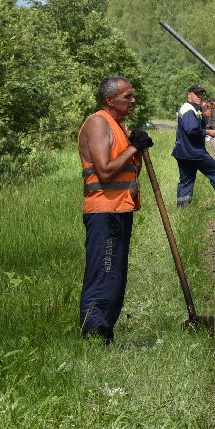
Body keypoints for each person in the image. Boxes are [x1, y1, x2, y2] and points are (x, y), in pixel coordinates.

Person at [77, 75, 151, 344]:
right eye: (127, 96)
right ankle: (94, 336)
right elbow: (105, 171)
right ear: (110, 100)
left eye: (133, 95)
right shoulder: (98, 123)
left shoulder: (119, 126)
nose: (133, 100)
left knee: (116, 278)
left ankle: (105, 333)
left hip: (120, 209)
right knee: (103, 273)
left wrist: (137, 151)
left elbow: (130, 171)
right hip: (103, 211)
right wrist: (133, 147)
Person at [173, 85, 215, 209]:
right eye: (196, 94)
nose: (199, 96)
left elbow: (192, 129)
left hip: (183, 153)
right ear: (189, 95)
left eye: (201, 94)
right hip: (194, 153)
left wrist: (206, 130)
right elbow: (191, 130)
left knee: (186, 181)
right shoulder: (189, 109)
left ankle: (182, 210)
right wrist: (208, 132)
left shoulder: (193, 109)